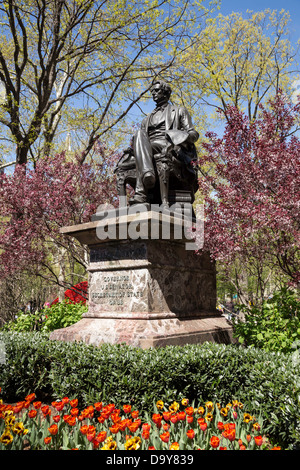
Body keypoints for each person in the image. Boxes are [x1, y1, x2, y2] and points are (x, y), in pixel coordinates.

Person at [130, 80, 199, 206]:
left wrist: (178, 138)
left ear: (165, 92)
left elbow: (193, 134)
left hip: (168, 144)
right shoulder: (147, 119)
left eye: (157, 90)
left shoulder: (179, 111)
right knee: (139, 134)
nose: (153, 93)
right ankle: (148, 174)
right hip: (148, 147)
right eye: (152, 91)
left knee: (141, 142)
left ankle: (141, 193)